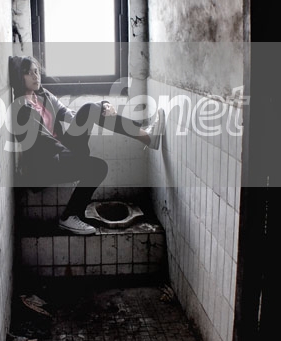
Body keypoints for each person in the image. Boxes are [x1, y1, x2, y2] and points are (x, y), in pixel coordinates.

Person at [9, 55, 165, 235]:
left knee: (88, 110)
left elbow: (72, 115)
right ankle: (68, 217)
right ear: (19, 77)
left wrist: (104, 106)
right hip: (45, 164)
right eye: (28, 73)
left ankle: (146, 136)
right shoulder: (21, 109)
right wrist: (72, 155)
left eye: (36, 71)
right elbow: (43, 143)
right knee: (98, 167)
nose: (35, 76)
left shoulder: (43, 96)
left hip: (62, 152)